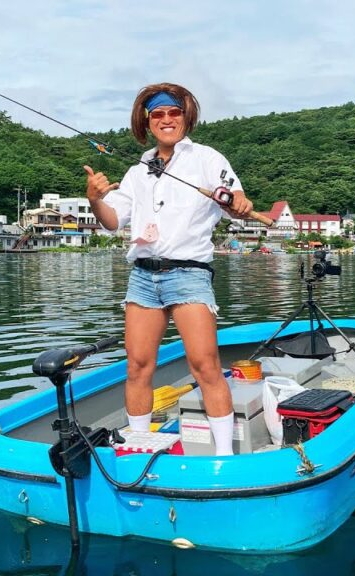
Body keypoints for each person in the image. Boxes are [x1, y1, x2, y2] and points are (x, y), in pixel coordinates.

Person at [84, 83, 254, 456]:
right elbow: (112, 221)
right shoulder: (136, 172)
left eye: (173, 112)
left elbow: (235, 198)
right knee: (138, 366)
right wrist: (95, 199)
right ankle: (138, 448)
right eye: (157, 114)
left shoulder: (208, 159)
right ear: (147, 123)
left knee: (205, 366)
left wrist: (239, 202)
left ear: (185, 117)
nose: (166, 119)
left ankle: (224, 456)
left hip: (189, 274)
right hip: (143, 278)